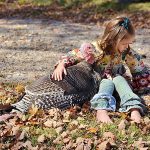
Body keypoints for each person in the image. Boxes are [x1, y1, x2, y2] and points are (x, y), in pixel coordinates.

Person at [52, 16, 149, 123]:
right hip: (98, 85)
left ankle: (134, 108)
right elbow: (74, 55)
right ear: (113, 40)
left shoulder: (126, 51)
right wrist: (62, 64)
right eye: (124, 44)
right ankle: (101, 110)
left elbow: (138, 68)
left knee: (120, 79)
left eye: (129, 43)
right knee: (107, 82)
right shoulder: (95, 48)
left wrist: (142, 87)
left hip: (118, 86)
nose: (127, 47)